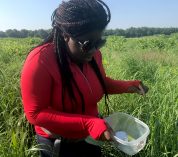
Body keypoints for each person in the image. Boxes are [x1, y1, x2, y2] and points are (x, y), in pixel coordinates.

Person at [20, 0, 148, 157]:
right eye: (87, 44)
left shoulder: (94, 56)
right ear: (65, 35)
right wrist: (88, 124)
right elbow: (35, 113)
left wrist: (128, 86)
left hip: (91, 136)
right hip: (60, 144)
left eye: (99, 42)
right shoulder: (40, 60)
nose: (94, 50)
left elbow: (100, 83)